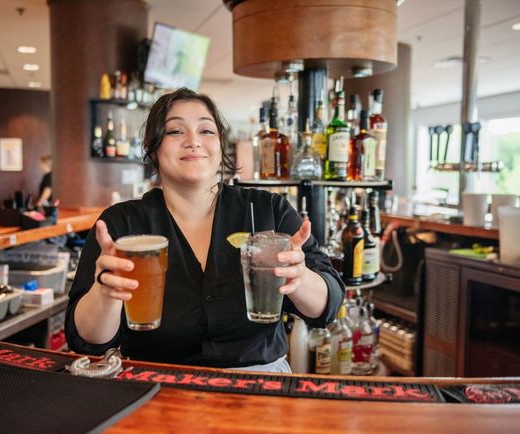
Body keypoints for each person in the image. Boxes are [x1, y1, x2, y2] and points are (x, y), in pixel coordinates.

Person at [65, 88, 344, 373]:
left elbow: (328, 306)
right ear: (153, 145)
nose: (193, 142)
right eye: (175, 131)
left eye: (207, 131)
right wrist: (105, 292)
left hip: (259, 385)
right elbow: (86, 341)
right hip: (154, 385)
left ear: (221, 145)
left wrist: (301, 278)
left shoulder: (268, 210)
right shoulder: (120, 224)